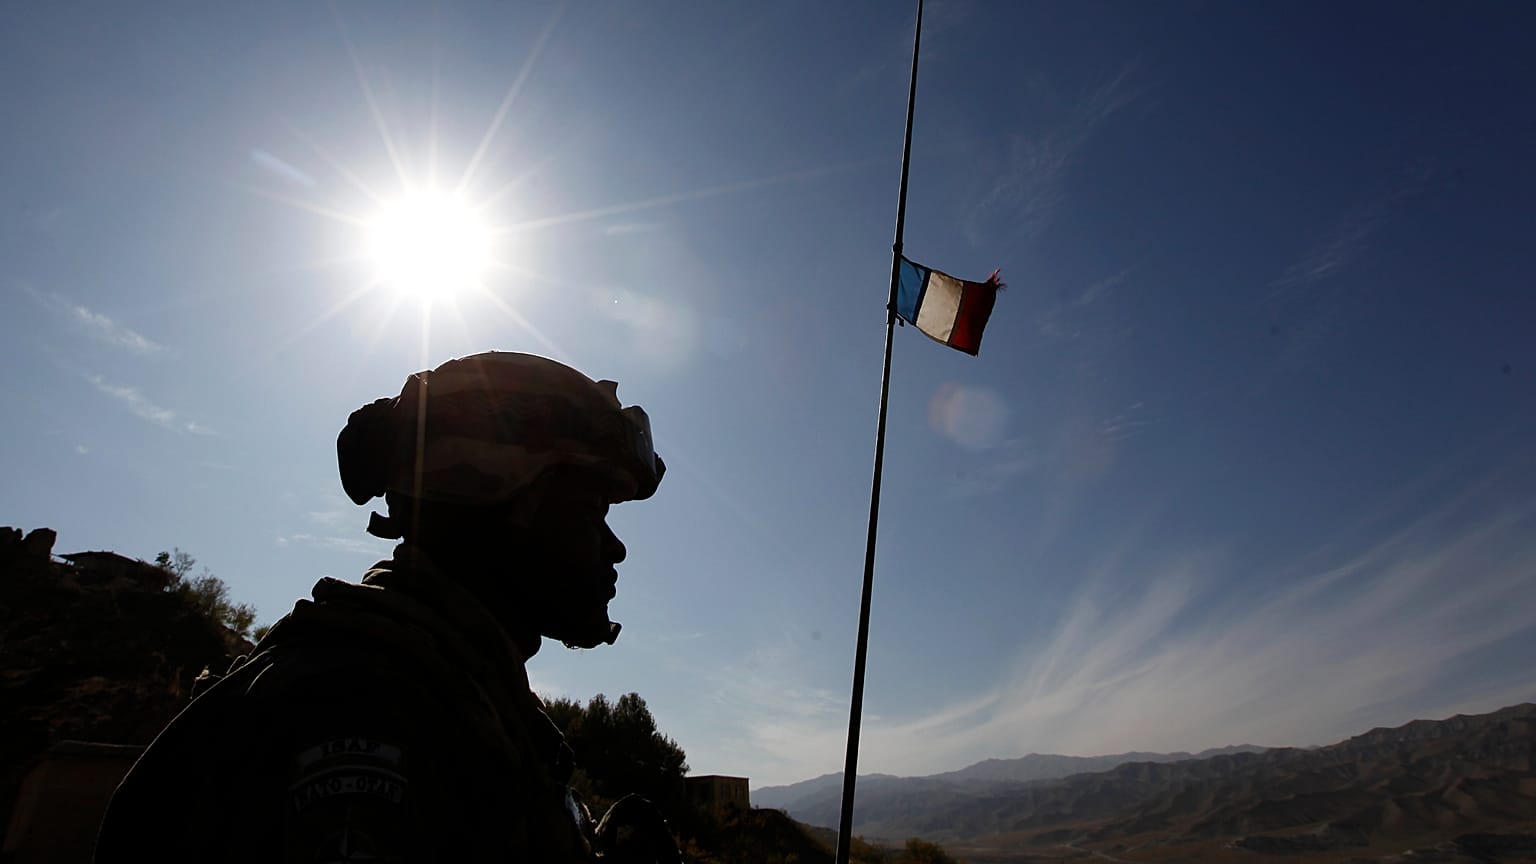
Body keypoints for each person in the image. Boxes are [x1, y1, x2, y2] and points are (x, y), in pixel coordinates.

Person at [95, 351, 676, 863]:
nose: (615, 547)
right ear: (506, 502)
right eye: (592, 511)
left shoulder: (451, 689)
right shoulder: (370, 708)